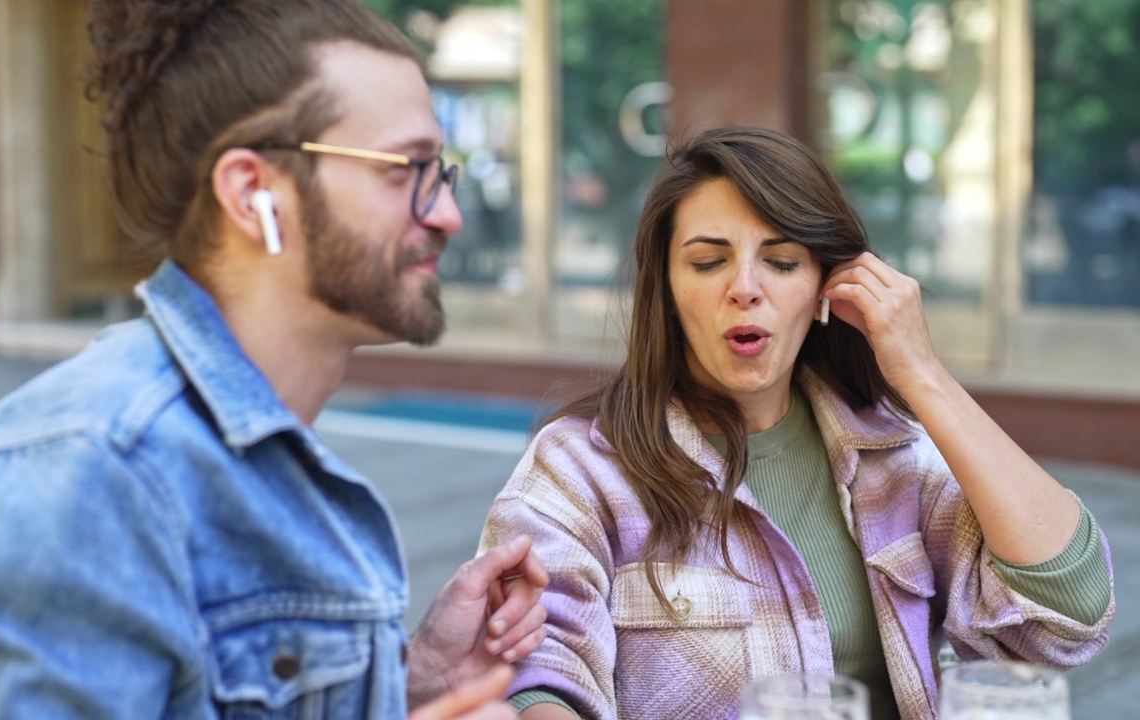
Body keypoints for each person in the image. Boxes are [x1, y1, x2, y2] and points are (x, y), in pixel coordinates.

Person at [0, 1, 548, 718]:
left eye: (441, 172)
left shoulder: (236, 453)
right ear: (252, 192)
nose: (446, 214)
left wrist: (410, 683)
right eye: (405, 169)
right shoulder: (92, 477)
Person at [478, 127, 1115, 720]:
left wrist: (923, 374)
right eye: (707, 263)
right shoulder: (578, 469)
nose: (745, 287)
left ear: (823, 292)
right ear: (667, 294)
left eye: (782, 262)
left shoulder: (895, 457)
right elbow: (537, 672)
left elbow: (1069, 617)